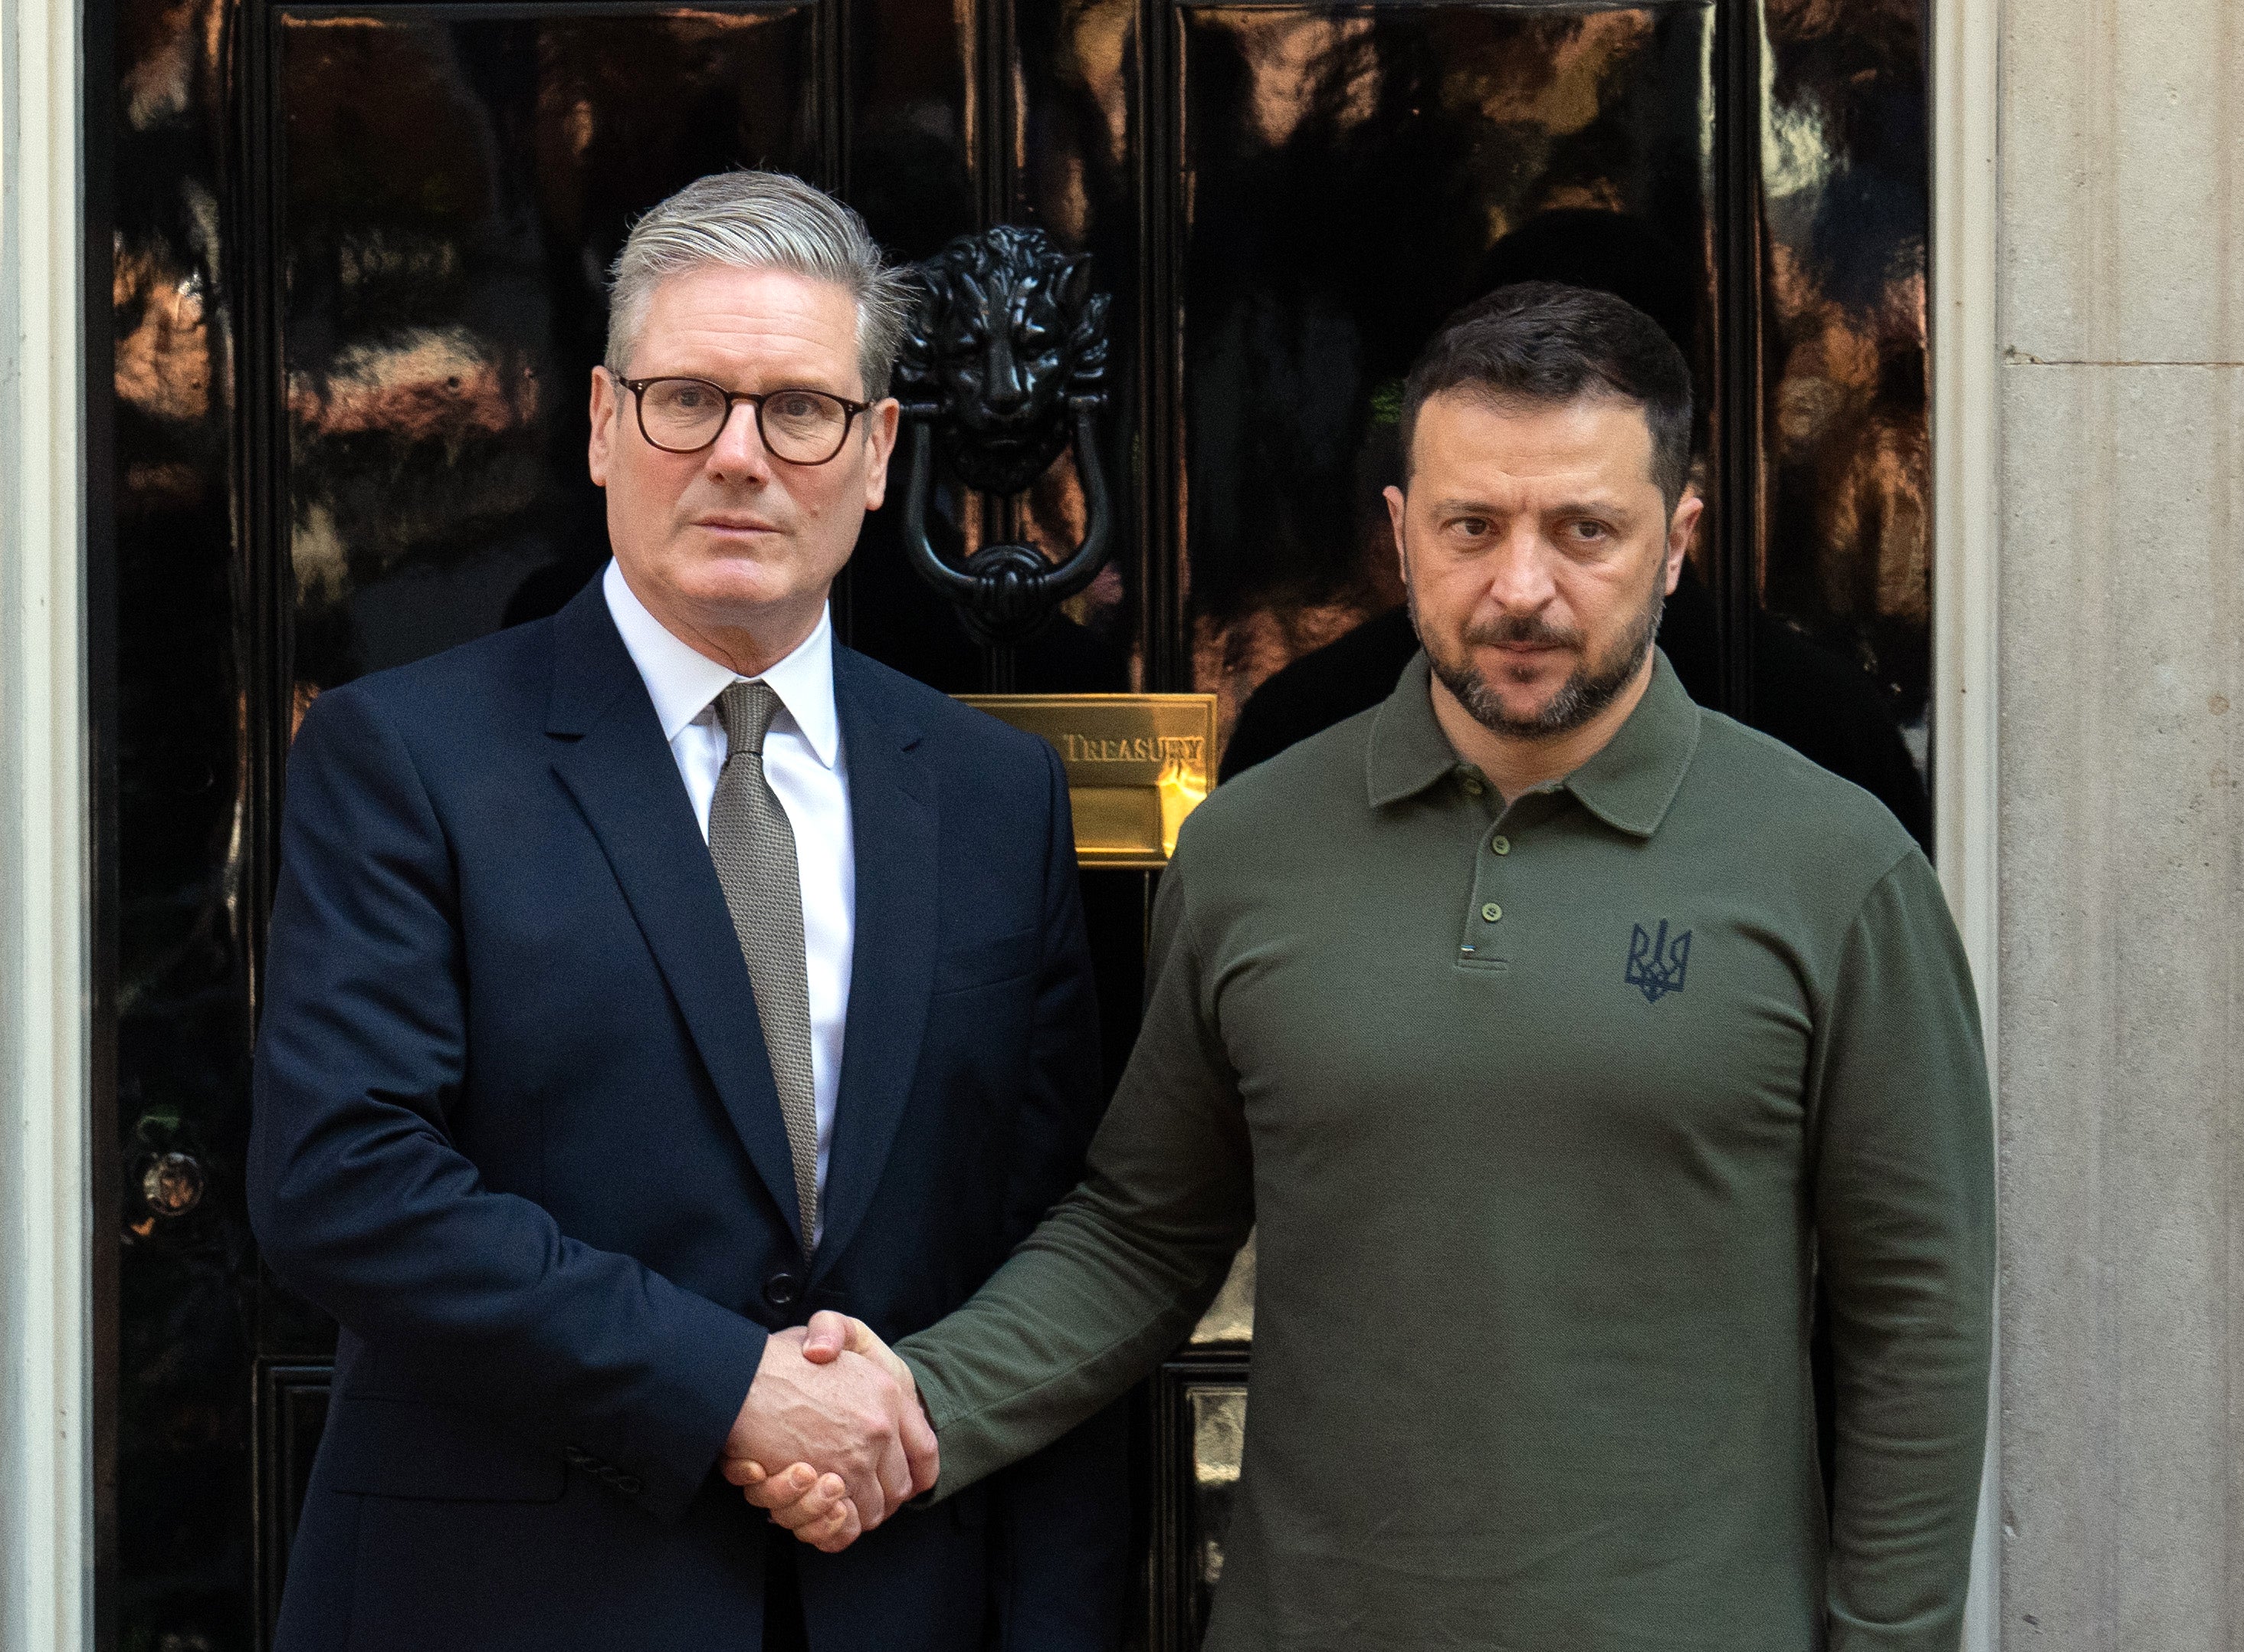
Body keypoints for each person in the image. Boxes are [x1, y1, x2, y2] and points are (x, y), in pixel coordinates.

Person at [736, 283, 1994, 1650]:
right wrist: (916, 1404)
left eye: (1585, 530)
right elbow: (1144, 1229)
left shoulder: (1833, 867)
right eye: (1471, 527)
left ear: (1676, 542)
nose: (1521, 587)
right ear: (1400, 536)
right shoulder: (1250, 849)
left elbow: (1916, 1312)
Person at [249, 171, 1127, 1652]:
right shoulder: (406, 757)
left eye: (799, 410)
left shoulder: (994, 796)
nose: (740, 457)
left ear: (875, 450)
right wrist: (727, 1386)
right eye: (686, 402)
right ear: (602, 426)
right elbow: (346, 1180)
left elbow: (1039, 1243)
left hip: (898, 1600)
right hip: (507, 1607)